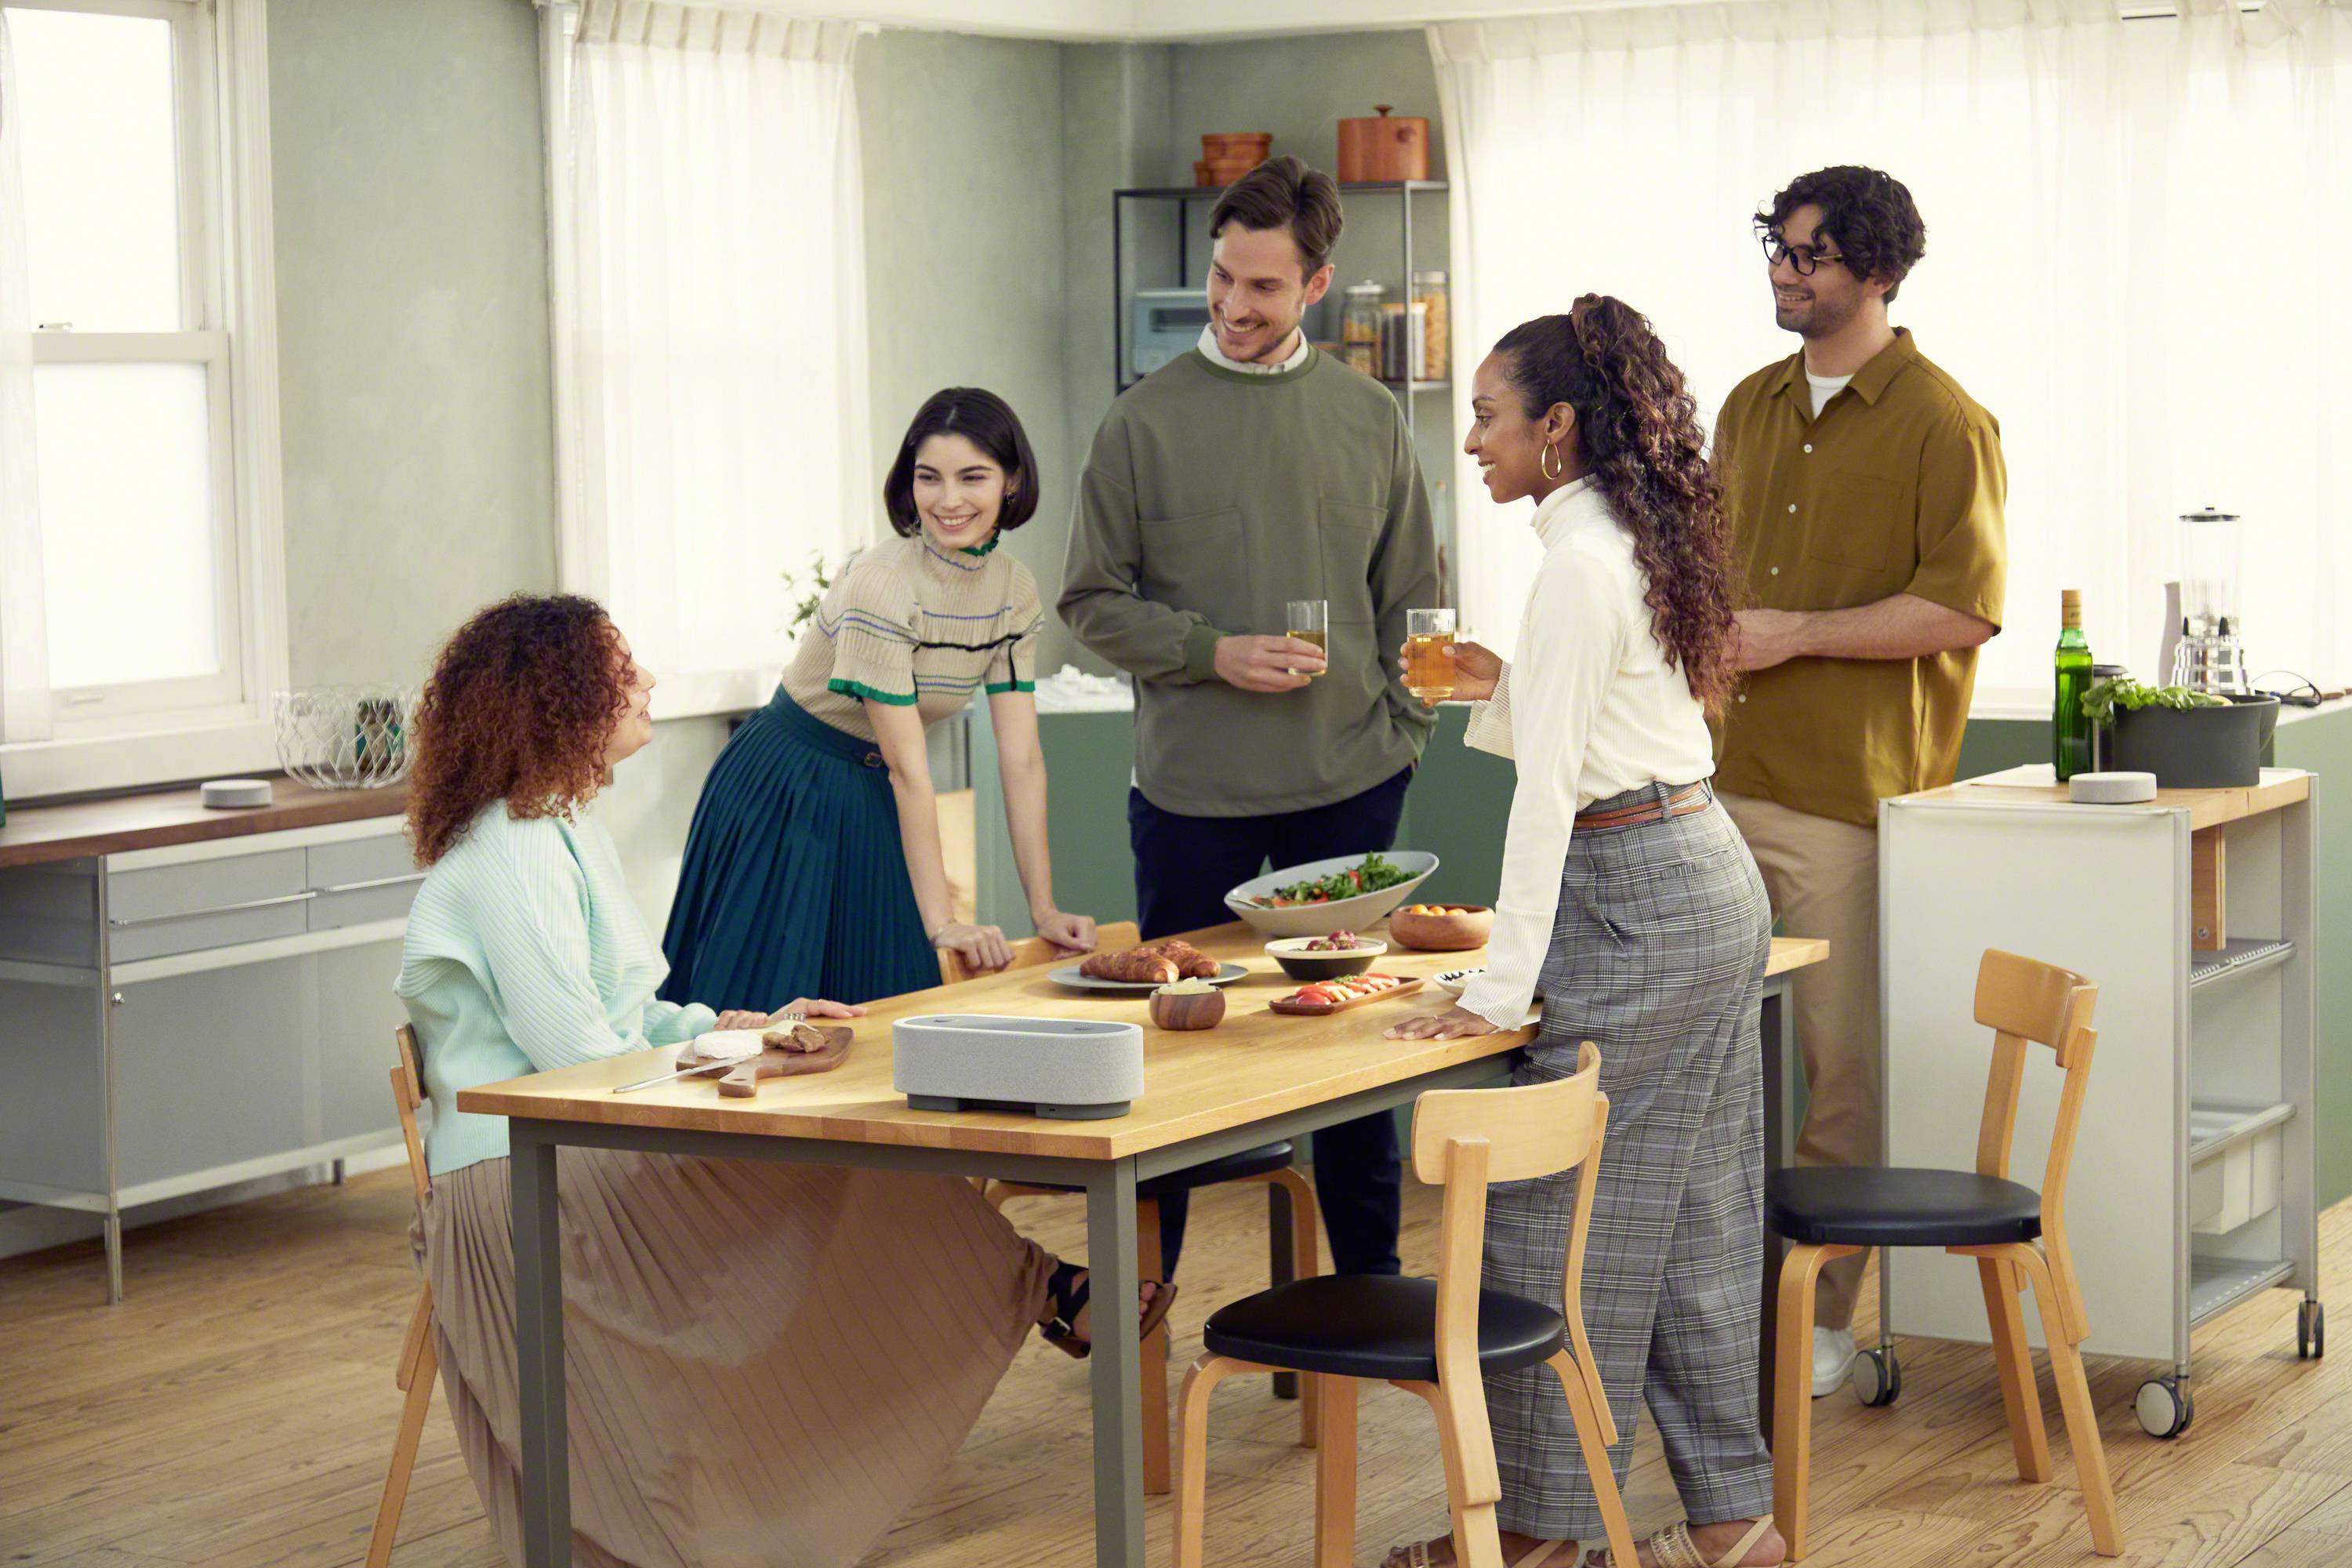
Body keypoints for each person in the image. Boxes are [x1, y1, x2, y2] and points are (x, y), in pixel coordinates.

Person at [395, 594, 1173, 1568]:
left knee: (852, 1153)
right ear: (562, 700)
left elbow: (626, 1026)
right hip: (521, 1182)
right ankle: (1043, 1287)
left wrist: (753, 1026)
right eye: (621, 668)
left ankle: (1042, 1286)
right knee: (835, 1161)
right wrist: (730, 1055)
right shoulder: (513, 850)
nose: (644, 684)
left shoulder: (560, 829)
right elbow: (575, 1060)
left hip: (575, 1145)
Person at [1385, 299, 1784, 1568]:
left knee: (1546, 1216)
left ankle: (1543, 1539)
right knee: (1694, 1225)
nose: (1475, 443)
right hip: (1709, 874)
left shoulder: (1573, 563)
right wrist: (1505, 685)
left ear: (1557, 426)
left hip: (1639, 899)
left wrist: (1498, 998)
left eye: (1491, 418)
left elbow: (1550, 800)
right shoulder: (1628, 537)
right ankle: (1737, 1522)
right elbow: (1615, 729)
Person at [1060, 154, 1441, 1281]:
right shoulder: (1140, 424)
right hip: (1192, 799)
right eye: (1224, 278)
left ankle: (1366, 1314)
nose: (1233, 306)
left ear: (1316, 287)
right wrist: (1208, 653)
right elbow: (1090, 599)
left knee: (1356, 1073)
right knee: (1175, 1069)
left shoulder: (1372, 421)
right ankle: (1143, 1314)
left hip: (1351, 786)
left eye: (1263, 288)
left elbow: (1416, 601)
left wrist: (1403, 736)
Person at [1714, 166, 2005, 1395]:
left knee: (1842, 1073)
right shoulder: (1744, 405)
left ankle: (1820, 1321)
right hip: (1711, 780)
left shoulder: (1948, 422)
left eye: (1812, 255)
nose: (1787, 272)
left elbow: (1962, 608)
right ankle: (1714, 1311)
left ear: (1878, 270)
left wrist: (1794, 633)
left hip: (1848, 801)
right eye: (1778, 250)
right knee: (1708, 1063)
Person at [662, 388, 1098, 1010]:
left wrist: (1045, 909)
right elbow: (908, 765)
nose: (948, 500)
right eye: (929, 478)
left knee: (892, 997)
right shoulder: (884, 583)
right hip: (789, 783)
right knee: (768, 1006)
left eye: (972, 477)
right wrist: (944, 921)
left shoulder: (1014, 592)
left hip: (873, 786)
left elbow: (1022, 759)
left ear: (1012, 481)